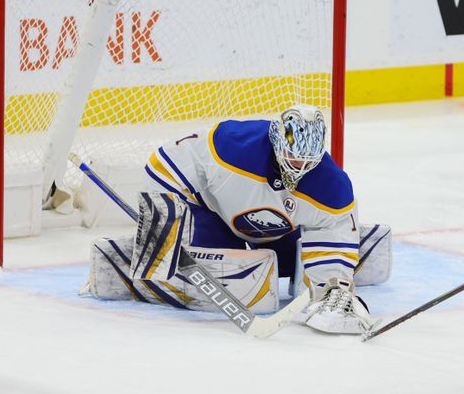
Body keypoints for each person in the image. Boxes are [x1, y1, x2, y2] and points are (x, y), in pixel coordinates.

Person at [84, 104, 377, 335]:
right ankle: (136, 259)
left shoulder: (332, 185)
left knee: (290, 273)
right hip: (215, 214)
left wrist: (330, 285)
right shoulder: (231, 148)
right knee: (242, 283)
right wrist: (162, 226)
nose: (298, 168)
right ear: (276, 141)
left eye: (307, 162)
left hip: (282, 229)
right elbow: (163, 164)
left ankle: (334, 270)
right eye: (292, 158)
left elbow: (334, 224)